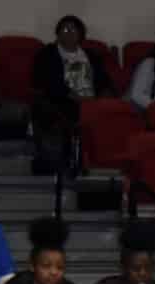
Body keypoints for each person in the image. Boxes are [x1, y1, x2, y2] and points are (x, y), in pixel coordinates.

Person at [30, 14, 114, 174]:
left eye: (73, 30)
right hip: (60, 101)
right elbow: (44, 81)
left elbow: (104, 81)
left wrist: (102, 97)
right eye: (64, 30)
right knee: (59, 113)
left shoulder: (91, 55)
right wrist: (74, 96)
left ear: (81, 34)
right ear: (57, 34)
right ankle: (65, 163)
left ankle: (101, 164)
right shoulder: (47, 54)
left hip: (92, 102)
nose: (68, 33)